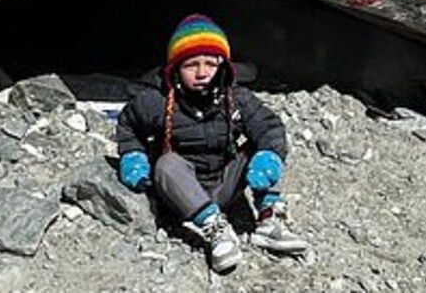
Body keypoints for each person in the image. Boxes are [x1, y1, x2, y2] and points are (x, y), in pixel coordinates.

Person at [113, 14, 311, 273]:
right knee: (167, 164)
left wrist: (268, 156)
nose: (202, 72)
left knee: (262, 148)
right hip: (181, 193)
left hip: (223, 182)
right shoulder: (155, 101)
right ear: (175, 68)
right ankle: (214, 228)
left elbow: (270, 128)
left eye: (211, 63)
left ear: (223, 65)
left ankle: (268, 221)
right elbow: (128, 126)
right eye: (191, 65)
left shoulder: (237, 98)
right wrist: (133, 156)